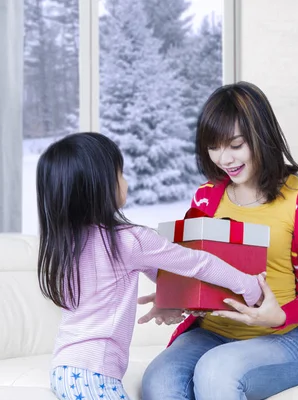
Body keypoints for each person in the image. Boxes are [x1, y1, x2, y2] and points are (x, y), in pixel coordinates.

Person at [140, 82, 298, 400]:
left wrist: (281, 316)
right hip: (212, 334)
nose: (224, 158)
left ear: (261, 137)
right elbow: (195, 269)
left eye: (236, 145)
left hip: (285, 336)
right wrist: (175, 296)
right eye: (214, 146)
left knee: (216, 373)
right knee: (159, 383)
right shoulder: (206, 199)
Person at [35, 132, 263, 400]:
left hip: (65, 368)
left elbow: (160, 274)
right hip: (94, 374)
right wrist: (248, 286)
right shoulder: (128, 240)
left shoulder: (66, 243)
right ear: (100, 186)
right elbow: (197, 263)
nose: (125, 181)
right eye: (120, 173)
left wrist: (169, 300)